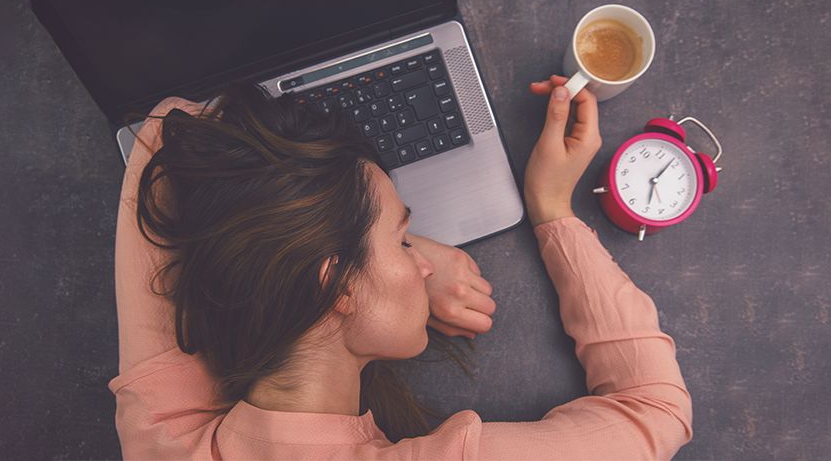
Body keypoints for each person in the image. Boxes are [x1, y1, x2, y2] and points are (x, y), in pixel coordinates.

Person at [108, 74, 693, 460]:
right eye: (405, 241)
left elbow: (168, 128)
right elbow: (656, 408)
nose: (422, 267)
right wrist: (552, 209)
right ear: (334, 282)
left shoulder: (165, 437)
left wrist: (373, 250)